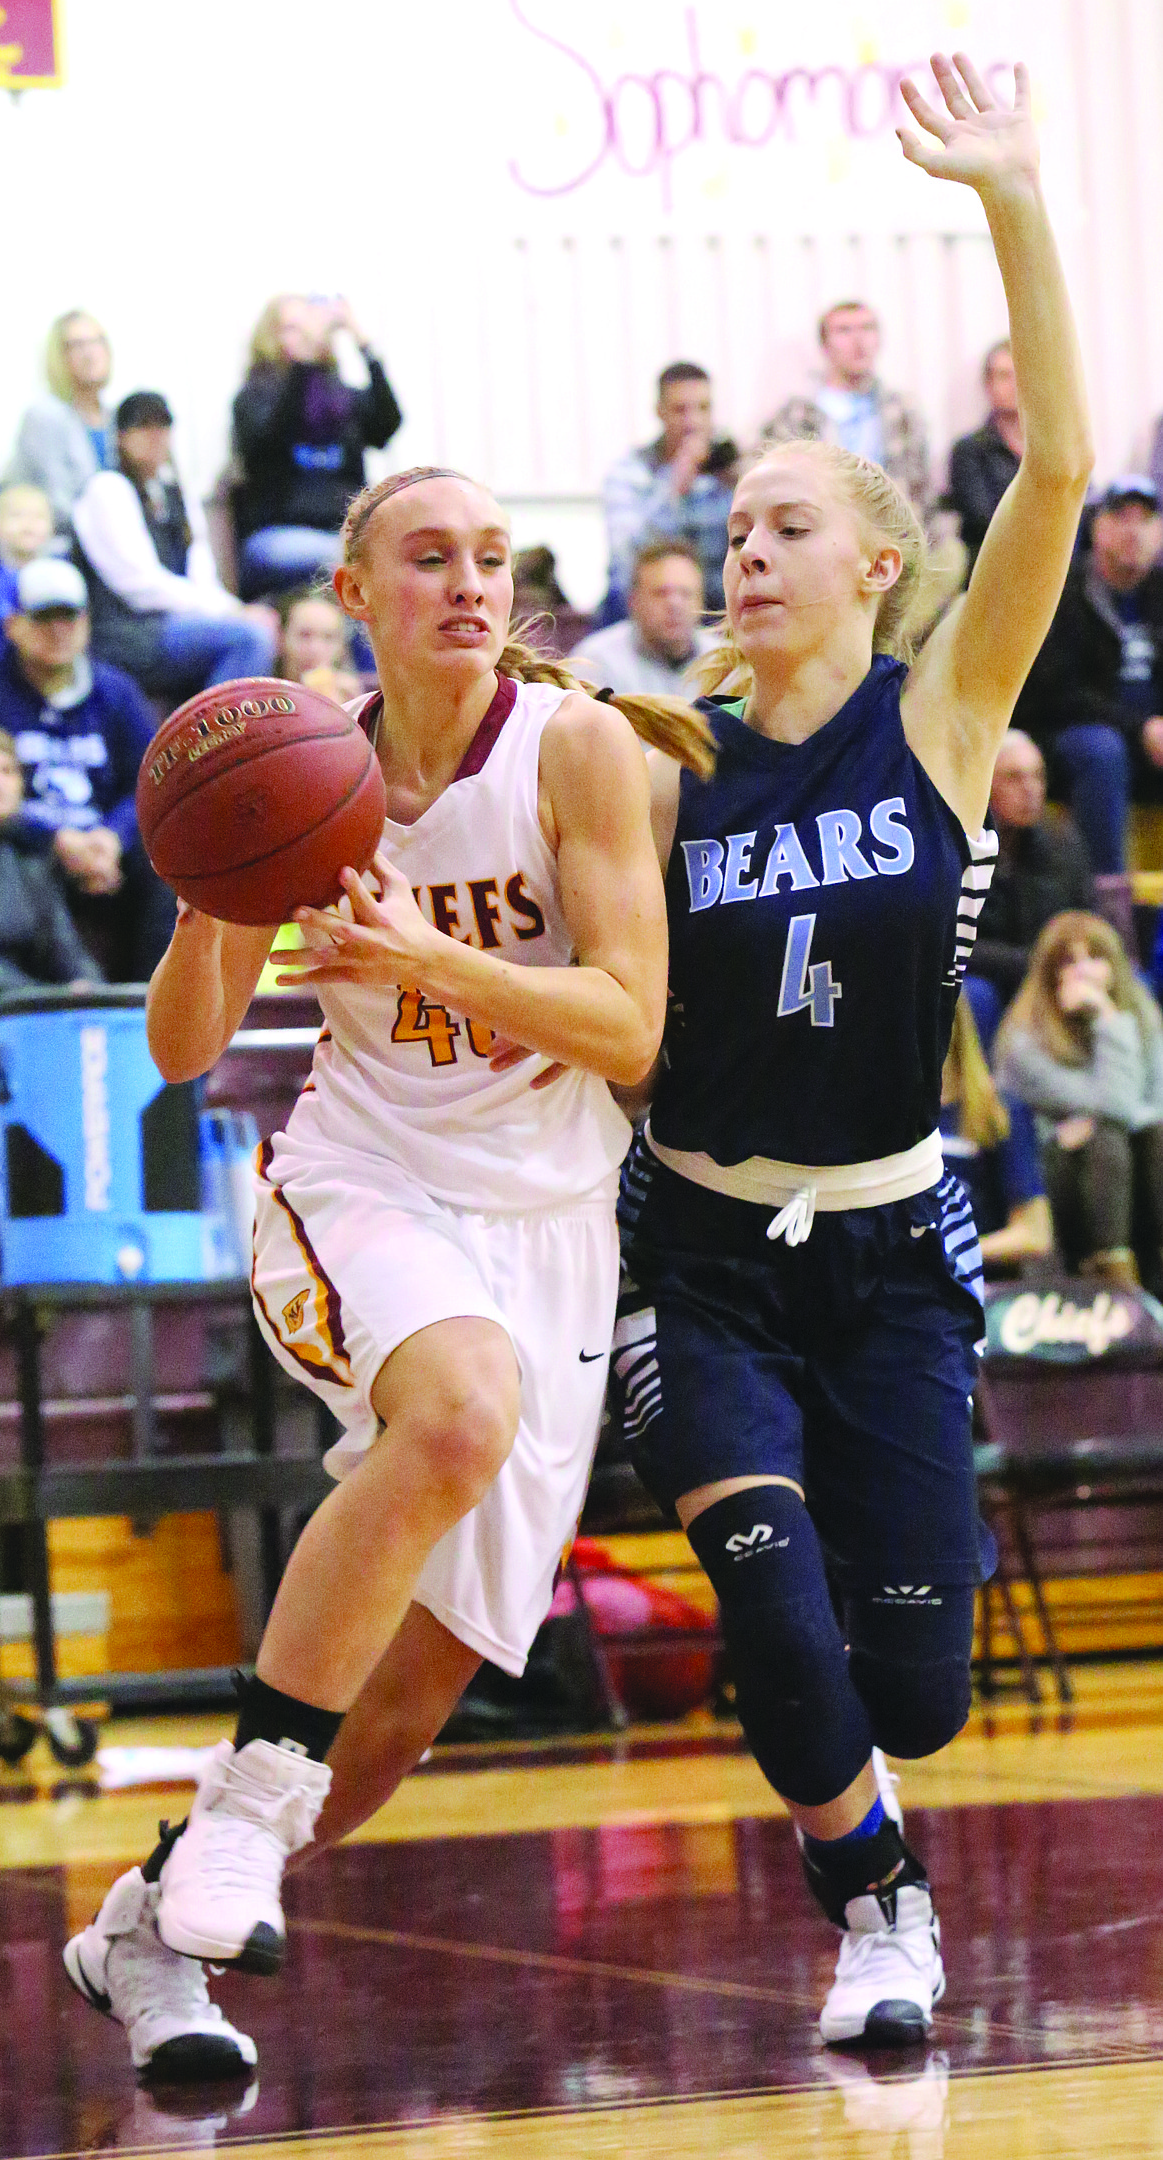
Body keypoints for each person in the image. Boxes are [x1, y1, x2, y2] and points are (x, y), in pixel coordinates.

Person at [63, 465, 714, 2080]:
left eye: (495, 558)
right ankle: (249, 1815)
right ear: (358, 594)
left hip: (555, 1226)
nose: (472, 585)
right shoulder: (309, 772)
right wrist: (221, 895)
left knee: (409, 1709)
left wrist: (421, 954)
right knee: (454, 1411)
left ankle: (150, 1926)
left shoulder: (580, 752)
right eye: (431, 558)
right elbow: (180, 1046)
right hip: (362, 1183)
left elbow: (632, 1029)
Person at [604, 50, 1088, 2047]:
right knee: (782, 1632)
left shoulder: (946, 714)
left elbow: (1052, 473)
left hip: (898, 1255)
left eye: (787, 520)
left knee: (913, 1686)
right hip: (704, 1257)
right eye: (734, 519)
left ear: (875, 564)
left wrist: (1013, 202)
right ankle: (879, 1913)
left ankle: (889, 1811)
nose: (747, 543)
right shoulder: (651, 762)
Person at [0, 557, 176, 980]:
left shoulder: (115, 691)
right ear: (13, 625)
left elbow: (149, 782)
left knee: (168, 865)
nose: (58, 630)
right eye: (43, 618)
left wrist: (112, 838)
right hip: (22, 841)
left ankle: (147, 1005)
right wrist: (55, 839)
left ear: (87, 621)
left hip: (102, 840)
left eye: (69, 617)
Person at [995, 911, 1163, 1289]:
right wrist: (1108, 1016)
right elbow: (1118, 1105)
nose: (1083, 972)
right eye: (1069, 961)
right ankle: (1116, 1284)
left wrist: (1097, 1116)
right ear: (1048, 973)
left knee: (1154, 1138)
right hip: (1059, 1177)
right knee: (1106, 1140)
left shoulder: (1143, 1012)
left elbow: (1152, 1106)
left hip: (1136, 1162)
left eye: (1095, 957)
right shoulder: (1023, 1039)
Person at [72, 391, 278, 699]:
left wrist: (232, 609)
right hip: (126, 633)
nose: (154, 436)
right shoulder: (107, 489)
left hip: (173, 624)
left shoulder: (175, 494)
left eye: (162, 426)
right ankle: (213, 744)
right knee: (250, 638)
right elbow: (139, 586)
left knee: (268, 622)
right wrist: (230, 611)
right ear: (120, 437)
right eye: (142, 427)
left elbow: (202, 574)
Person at [1015, 475, 1163, 874]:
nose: (1134, 531)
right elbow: (1059, 693)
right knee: (1101, 750)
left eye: (1145, 520)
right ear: (1097, 526)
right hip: (1072, 736)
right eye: (1121, 518)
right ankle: (1105, 895)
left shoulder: (1158, 593)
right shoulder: (1064, 591)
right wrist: (1141, 727)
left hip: (1148, 740)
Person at [231, 295, 402, 599]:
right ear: (269, 337)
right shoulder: (254, 397)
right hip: (279, 536)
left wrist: (363, 344)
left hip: (341, 536)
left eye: (310, 327)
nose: (306, 336)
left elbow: (387, 425)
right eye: (292, 328)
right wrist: (305, 364)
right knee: (370, 565)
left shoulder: (341, 397)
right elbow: (272, 438)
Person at [966, 727, 1093, 1051]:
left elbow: (1088, 921)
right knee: (976, 995)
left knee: (1135, 982)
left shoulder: (1063, 843)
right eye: (1014, 777)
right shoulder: (957, 847)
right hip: (995, 979)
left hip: (1055, 972)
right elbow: (953, 944)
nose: (1031, 789)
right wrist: (1034, 962)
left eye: (1037, 777)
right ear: (984, 782)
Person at [759, 300, 932, 517]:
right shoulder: (797, 415)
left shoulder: (903, 411)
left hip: (891, 527)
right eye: (844, 330)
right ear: (824, 345)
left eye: (867, 328)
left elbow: (921, 488)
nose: (859, 341)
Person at [601, 362, 737, 620]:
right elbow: (626, 559)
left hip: (716, 600)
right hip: (651, 600)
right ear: (659, 412)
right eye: (680, 410)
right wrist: (673, 489)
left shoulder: (727, 469)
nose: (693, 422)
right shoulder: (628, 472)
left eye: (703, 409)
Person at [939, 995, 1052, 1272]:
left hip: (980, 1289)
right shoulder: (883, 1115)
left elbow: (1035, 1234)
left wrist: (947, 1255)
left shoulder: (999, 1111)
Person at [0, 728, 102, 994]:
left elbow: (65, 951)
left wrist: (89, 990)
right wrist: (52, 999)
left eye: (7, 771)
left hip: (25, 1014)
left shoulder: (29, 861)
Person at [4, 311, 115, 532]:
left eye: (97, 342)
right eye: (77, 345)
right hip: (58, 545)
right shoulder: (44, 417)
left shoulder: (115, 417)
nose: (90, 353)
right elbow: (59, 503)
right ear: (58, 356)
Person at [571, 543, 717, 697]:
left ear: (702, 600)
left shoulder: (724, 662)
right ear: (633, 601)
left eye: (686, 593)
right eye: (661, 593)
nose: (675, 605)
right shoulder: (594, 663)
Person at [946, 340, 1023, 567]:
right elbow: (982, 520)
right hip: (993, 569)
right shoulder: (969, 451)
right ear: (988, 385)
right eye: (1004, 375)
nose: (1015, 384)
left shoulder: (1054, 449)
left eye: (1021, 374)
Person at [0, 484, 55, 666]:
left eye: (38, 517)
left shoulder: (60, 575)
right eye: (16, 516)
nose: (28, 524)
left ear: (52, 527)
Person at [275, 587, 362, 704]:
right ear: (281, 638)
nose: (315, 649)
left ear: (342, 648)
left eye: (328, 637)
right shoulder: (258, 698)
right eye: (304, 635)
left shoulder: (350, 698)